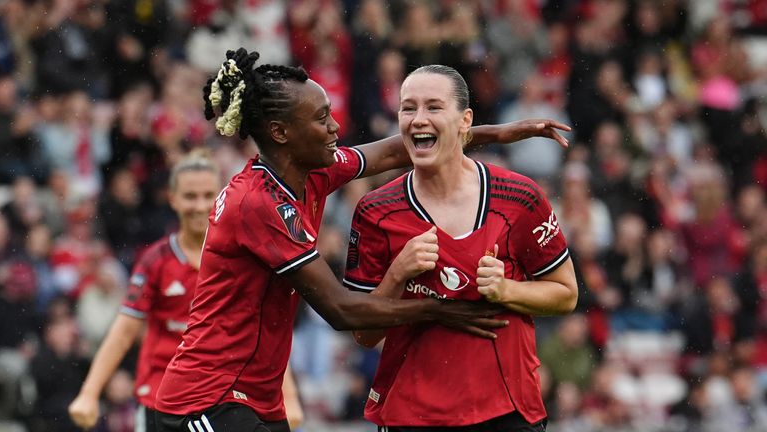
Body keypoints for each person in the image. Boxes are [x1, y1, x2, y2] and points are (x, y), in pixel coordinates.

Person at [154, 48, 571, 432]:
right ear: (281, 133)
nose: (335, 126)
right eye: (320, 119)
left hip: (256, 398)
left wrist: (498, 133)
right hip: (204, 398)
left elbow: (394, 150)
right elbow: (342, 310)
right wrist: (441, 310)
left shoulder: (311, 170)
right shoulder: (257, 204)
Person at [344, 65, 578, 430]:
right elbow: (364, 334)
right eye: (408, 108)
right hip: (411, 413)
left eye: (434, 107)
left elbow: (566, 295)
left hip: (505, 411)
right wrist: (397, 274)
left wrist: (507, 290)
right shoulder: (375, 211)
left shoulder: (519, 196)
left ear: (465, 119)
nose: (418, 119)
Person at [67, 150, 305, 431]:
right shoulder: (156, 260)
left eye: (207, 195)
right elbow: (124, 331)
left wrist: (288, 395)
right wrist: (89, 393)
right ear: (173, 199)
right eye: (190, 196)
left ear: (221, 197)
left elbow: (264, 332)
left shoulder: (241, 260)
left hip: (221, 399)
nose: (199, 204)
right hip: (161, 402)